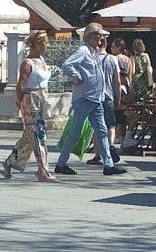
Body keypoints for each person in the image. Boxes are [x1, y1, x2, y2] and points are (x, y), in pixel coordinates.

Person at [51, 25, 124, 176]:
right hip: (84, 98)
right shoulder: (83, 51)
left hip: (96, 98)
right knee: (75, 132)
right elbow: (67, 65)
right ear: (89, 36)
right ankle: (61, 163)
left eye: (101, 36)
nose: (100, 38)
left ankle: (109, 164)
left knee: (102, 131)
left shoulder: (95, 52)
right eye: (97, 35)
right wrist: (77, 77)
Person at [1, 31, 56, 180]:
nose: (47, 46)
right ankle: (43, 171)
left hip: (42, 99)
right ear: (38, 44)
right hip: (30, 100)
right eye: (45, 42)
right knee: (39, 136)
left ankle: (10, 162)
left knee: (29, 137)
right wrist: (20, 104)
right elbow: (21, 86)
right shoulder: (27, 63)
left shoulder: (42, 60)